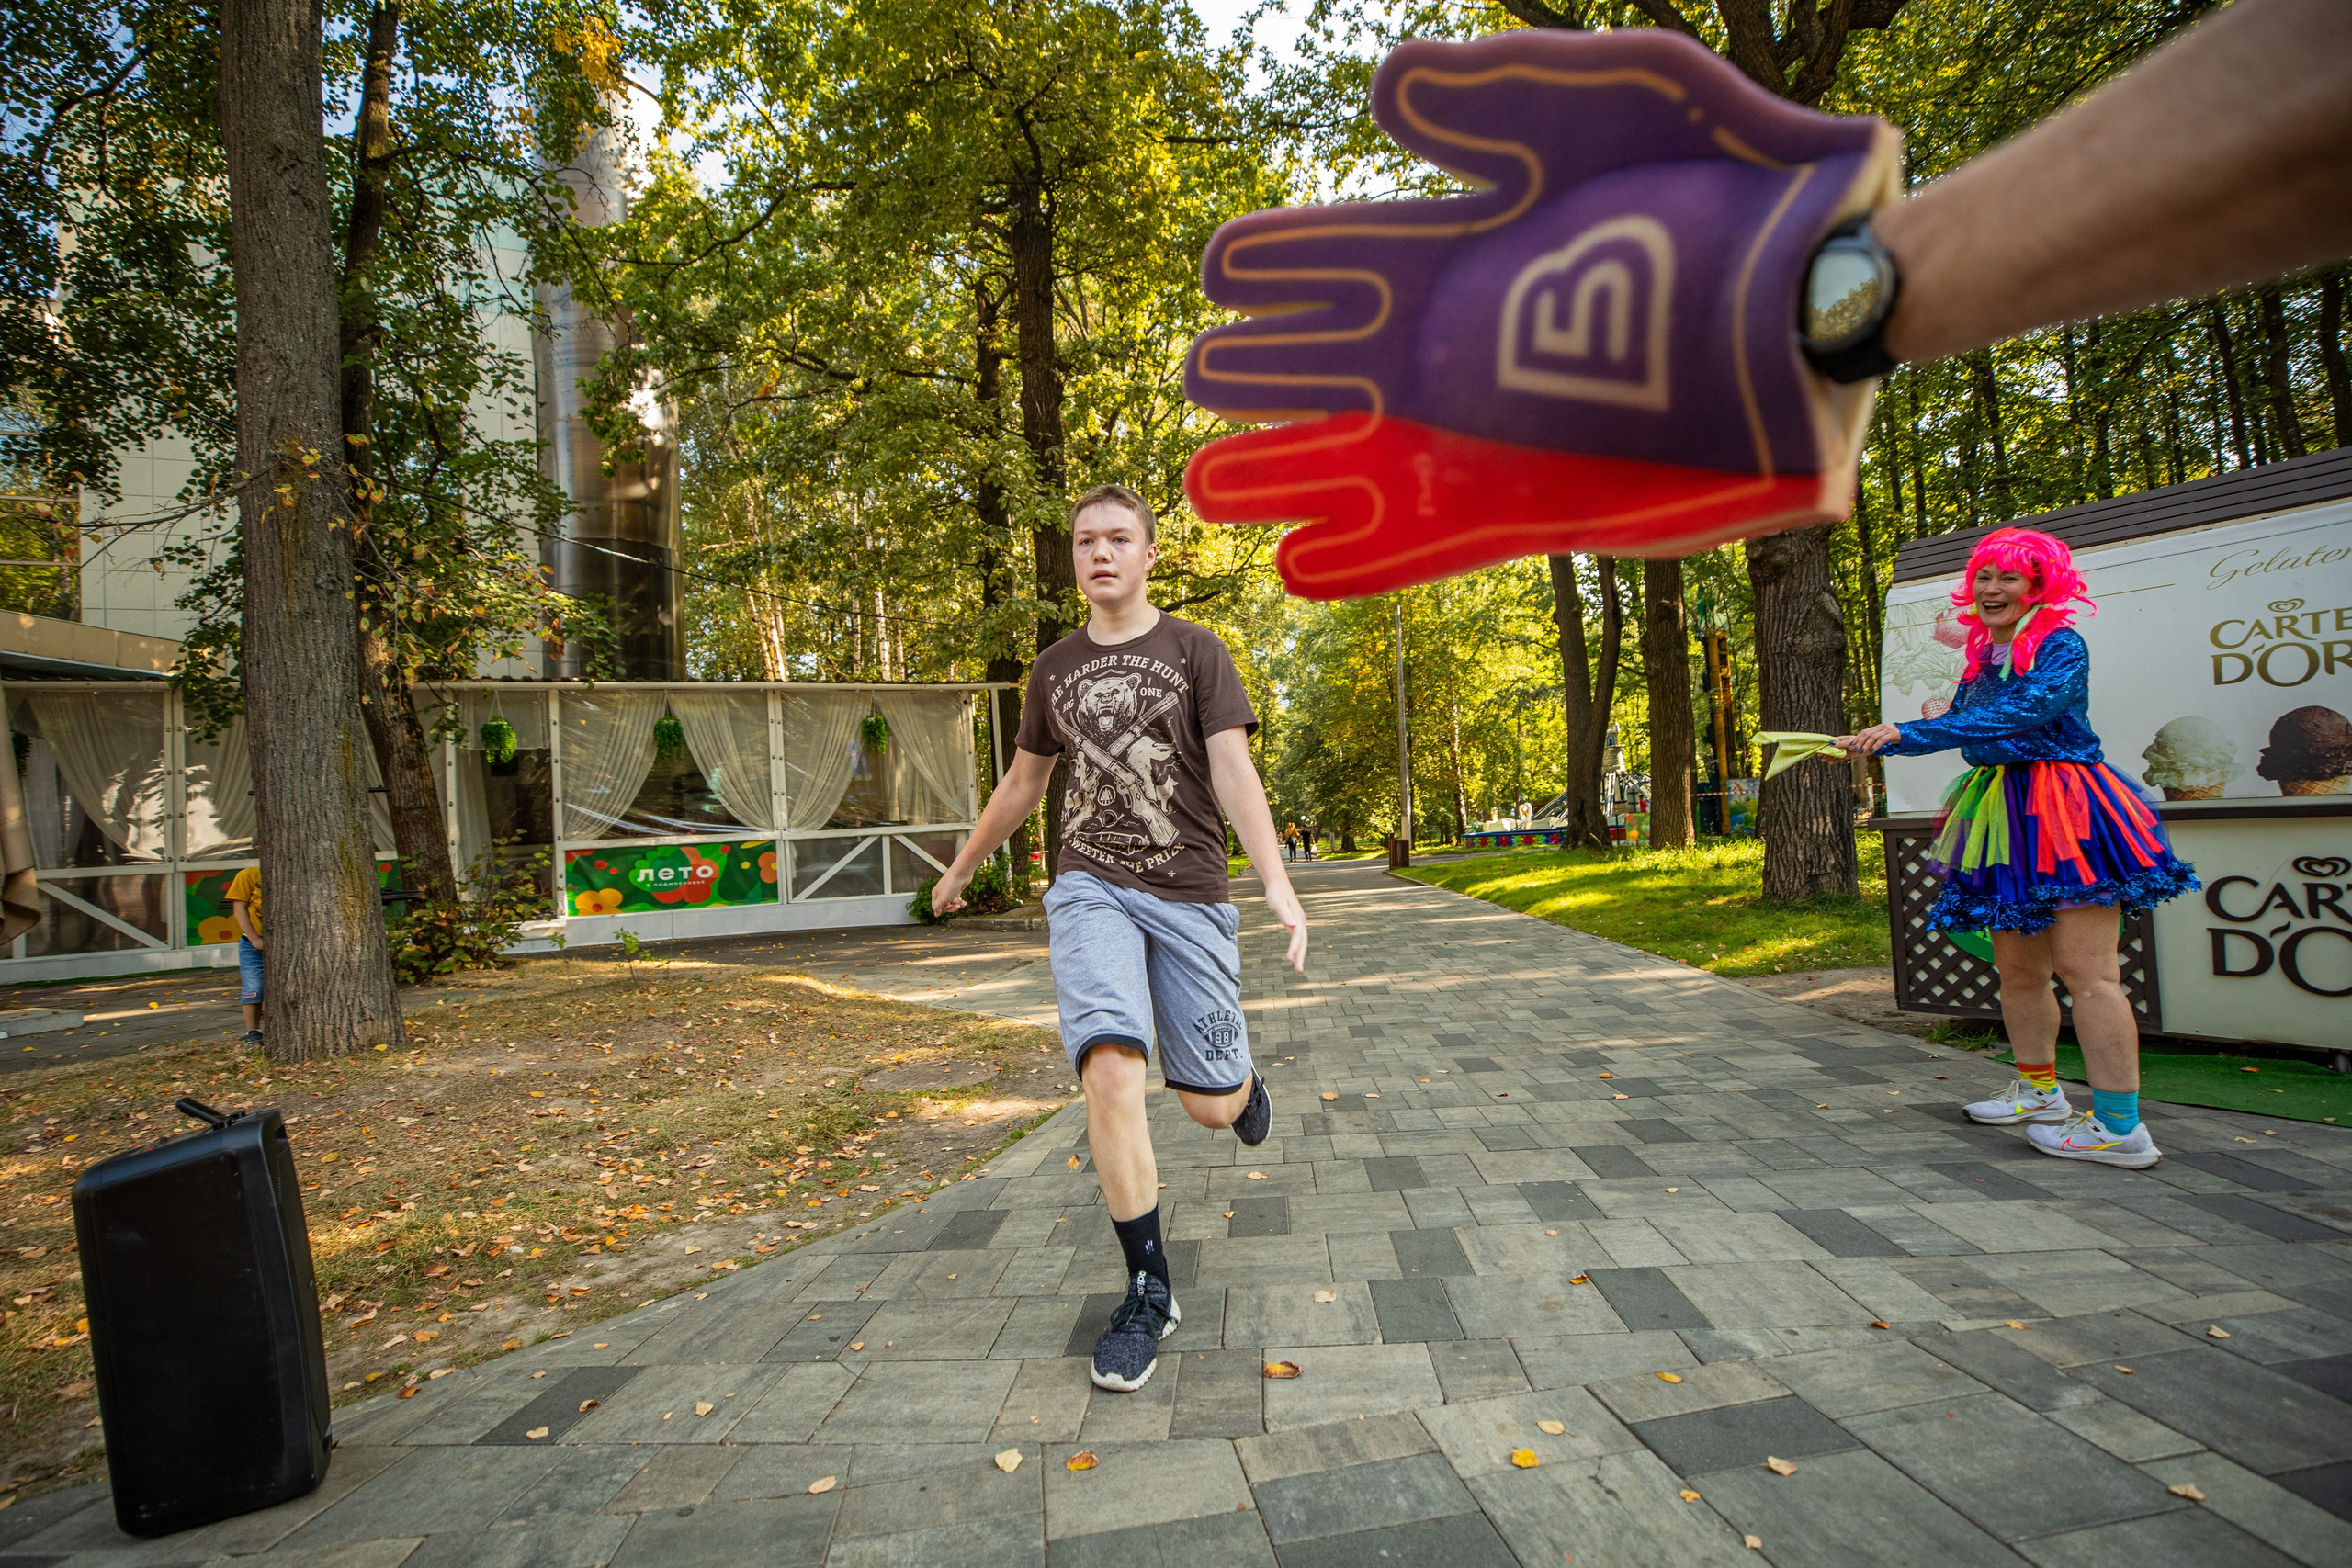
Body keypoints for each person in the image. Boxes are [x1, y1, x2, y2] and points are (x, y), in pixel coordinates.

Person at [930, 482, 1308, 1393]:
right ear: (1074, 560)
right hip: (1089, 887)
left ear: (1148, 556)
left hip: (1186, 893)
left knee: (1208, 1108)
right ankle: (1147, 1290)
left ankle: (1243, 1081)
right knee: (1108, 1065)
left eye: (1116, 539)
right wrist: (961, 866)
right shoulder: (1054, 668)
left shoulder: (1195, 650)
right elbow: (1024, 784)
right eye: (1083, 540)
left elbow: (1231, 771)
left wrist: (1280, 886)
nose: (1098, 552)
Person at [1837, 529, 2198, 1168]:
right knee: (2020, 970)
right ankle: (2040, 1093)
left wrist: (1910, 729)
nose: (1993, 589)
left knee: (2090, 973)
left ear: (2040, 585)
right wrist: (1883, 739)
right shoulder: (1983, 655)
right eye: (1984, 577)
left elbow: (2023, 713)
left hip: (2066, 810)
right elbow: (1962, 726)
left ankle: (2120, 1127)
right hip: (2001, 811)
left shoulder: (2061, 643)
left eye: (2010, 577)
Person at [226, 864, 265, 1046]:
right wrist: (255, 938)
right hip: (252, 945)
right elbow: (239, 909)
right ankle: (253, 1032)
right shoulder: (248, 874)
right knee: (253, 987)